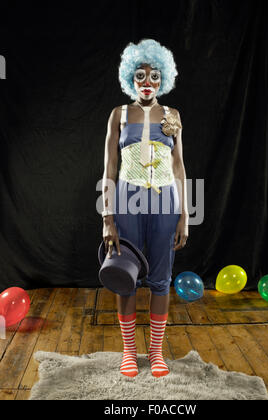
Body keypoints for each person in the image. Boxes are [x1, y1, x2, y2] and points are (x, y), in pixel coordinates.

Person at [101, 39, 189, 378]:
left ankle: (155, 353)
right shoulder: (118, 115)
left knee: (161, 279)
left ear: (163, 79)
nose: (147, 82)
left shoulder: (173, 116)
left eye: (155, 76)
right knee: (125, 276)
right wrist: (108, 217)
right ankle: (128, 351)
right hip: (126, 202)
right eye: (141, 75)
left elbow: (180, 167)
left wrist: (185, 215)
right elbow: (109, 168)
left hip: (166, 201)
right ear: (130, 78)